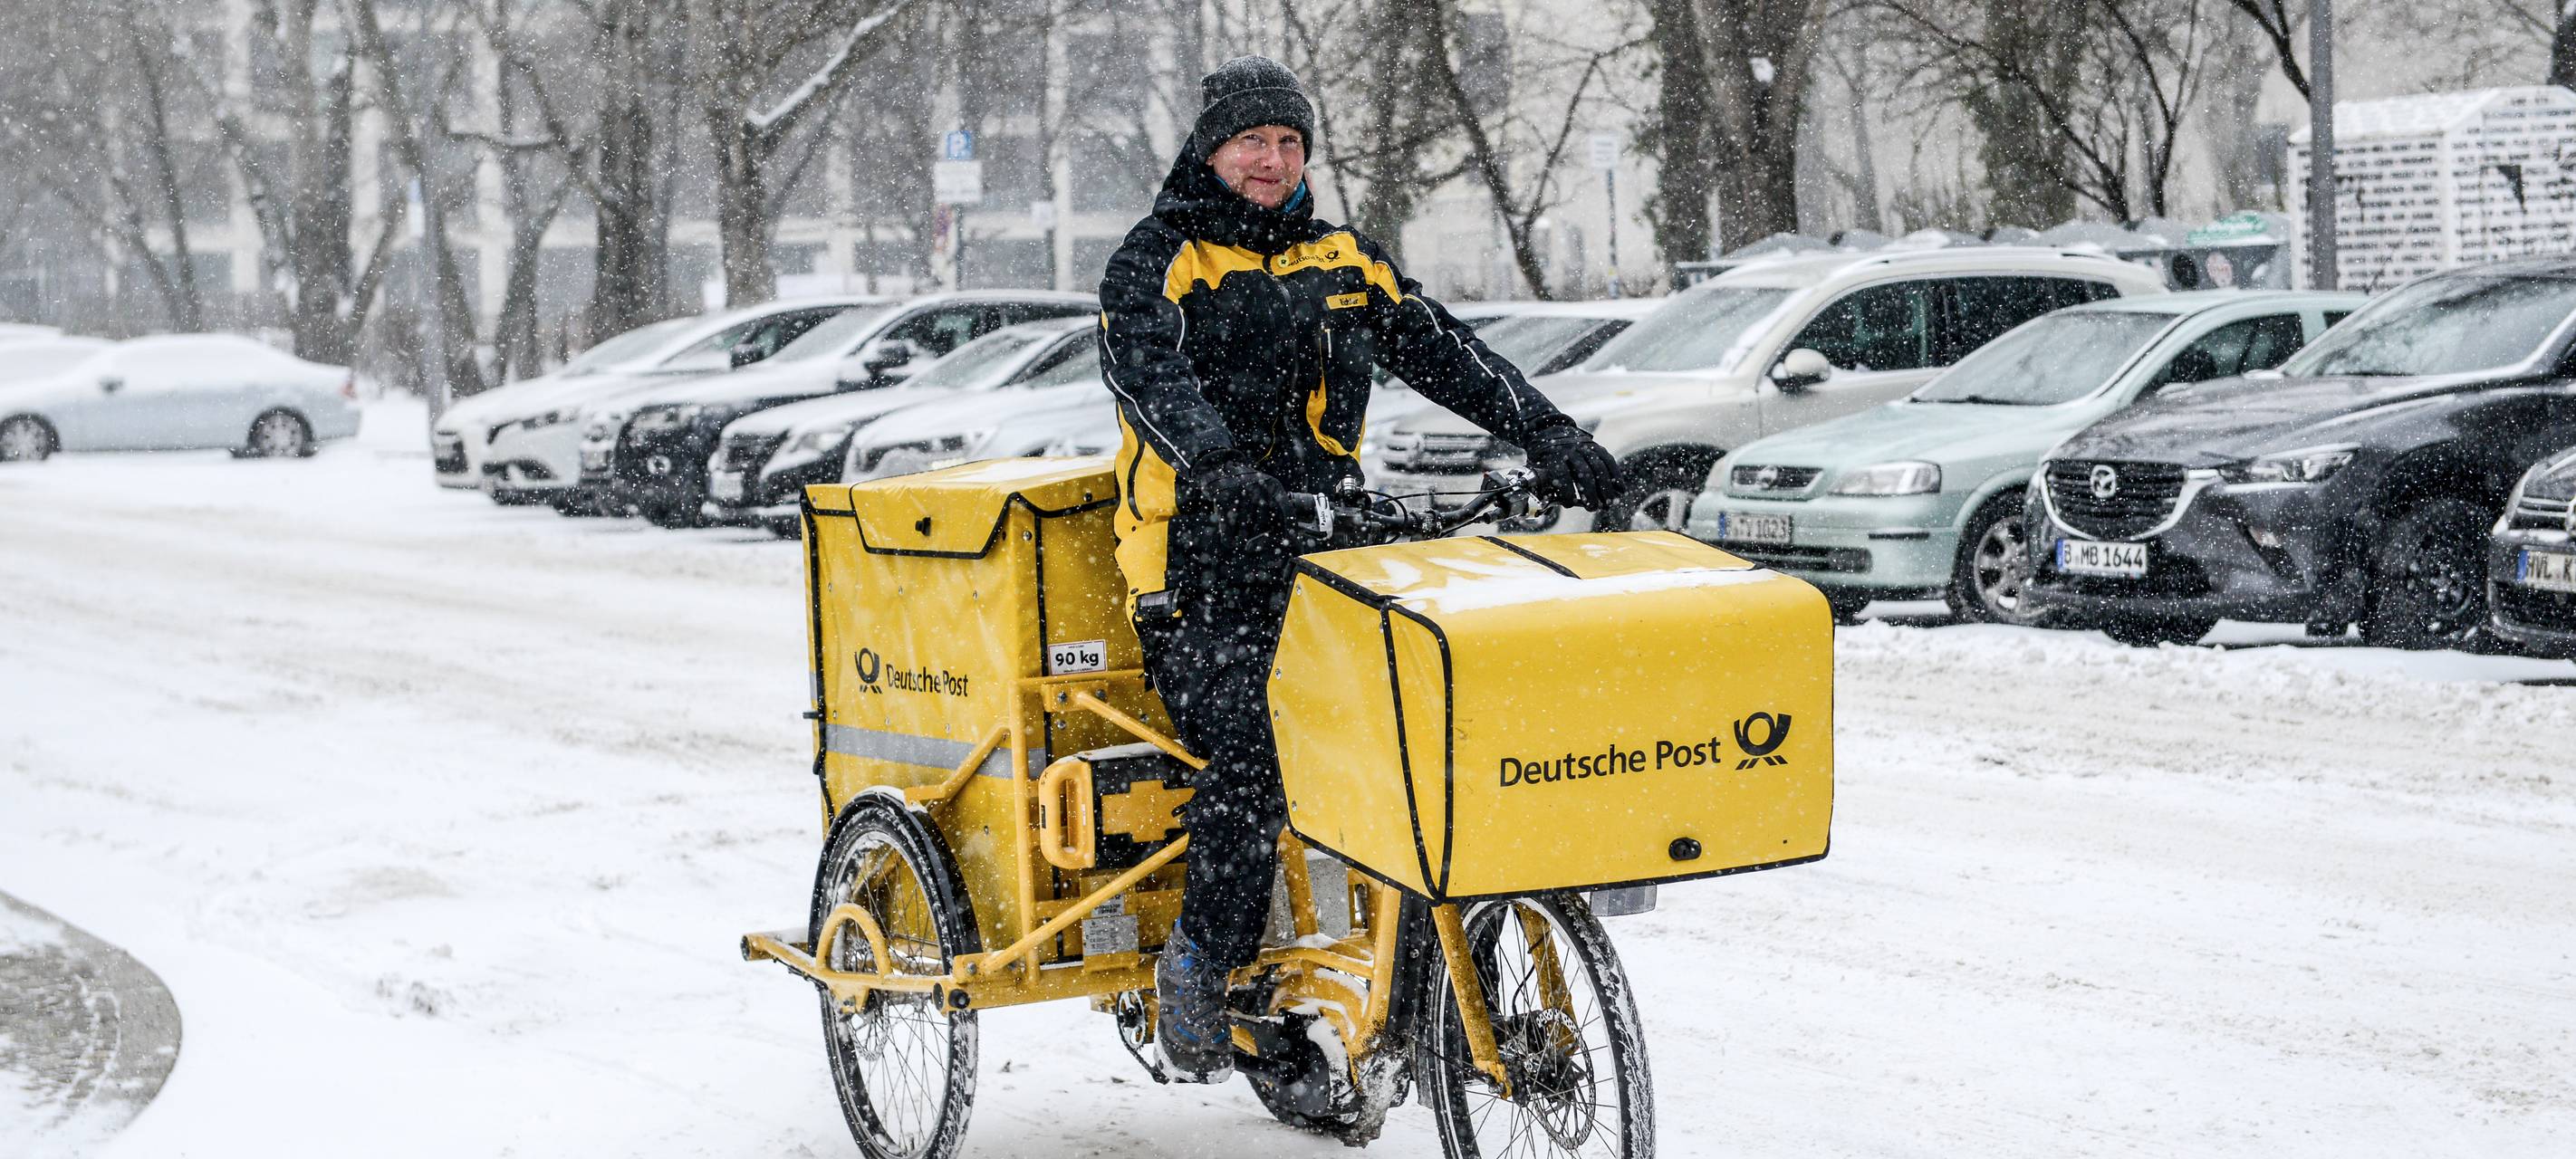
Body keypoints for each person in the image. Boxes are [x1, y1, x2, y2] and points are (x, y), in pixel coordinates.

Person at [1095, 54, 1621, 1081]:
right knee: (1254, 755)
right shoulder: (1159, 256)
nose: (1273, 159)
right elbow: (1143, 369)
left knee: (1424, 746)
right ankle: (1202, 962)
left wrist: (1548, 431)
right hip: (1197, 565)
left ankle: (1410, 990)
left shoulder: (1343, 256)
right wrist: (1218, 465)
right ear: (1212, 149)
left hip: (1329, 551)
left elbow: (1441, 349)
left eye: (1290, 142)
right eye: (1253, 141)